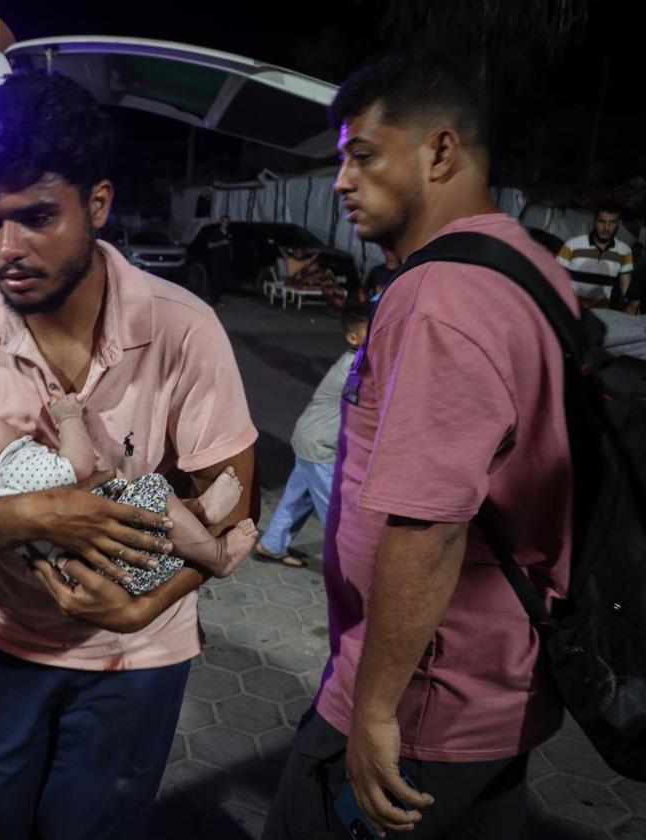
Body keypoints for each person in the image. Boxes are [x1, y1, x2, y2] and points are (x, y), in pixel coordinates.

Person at [0, 71, 259, 840]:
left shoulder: (182, 326)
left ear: (97, 204)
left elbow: (237, 491)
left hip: (141, 652)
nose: (7, 249)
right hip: (10, 636)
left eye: (36, 217)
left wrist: (142, 604)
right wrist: (44, 513)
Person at [264, 51, 575, 839]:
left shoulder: (438, 297)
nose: (341, 182)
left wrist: (372, 714)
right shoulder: (532, 264)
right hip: (502, 678)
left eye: (362, 155)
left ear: (439, 151)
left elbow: (429, 527)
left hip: (422, 699)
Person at [0, 397, 259, 594]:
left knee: (132, 495)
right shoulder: (17, 469)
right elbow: (78, 467)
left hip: (106, 574)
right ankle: (218, 555)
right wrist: (69, 418)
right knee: (151, 489)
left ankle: (195, 511)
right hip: (129, 561)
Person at [254, 303, 368, 569]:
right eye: (371, 332)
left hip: (309, 438)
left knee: (298, 498)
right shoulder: (354, 368)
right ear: (353, 338)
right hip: (319, 446)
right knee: (336, 512)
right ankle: (348, 570)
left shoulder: (357, 362)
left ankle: (272, 545)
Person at [556, 203, 636, 309]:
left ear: (619, 223)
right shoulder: (572, 245)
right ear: (594, 221)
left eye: (612, 222)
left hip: (601, 314)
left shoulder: (624, 251)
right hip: (570, 310)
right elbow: (556, 277)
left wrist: (631, 307)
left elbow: (625, 284)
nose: (606, 228)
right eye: (602, 222)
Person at [208, 213, 233, 304]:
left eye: (227, 222)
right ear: (221, 222)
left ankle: (218, 299)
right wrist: (221, 242)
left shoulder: (229, 233)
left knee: (221, 279)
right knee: (215, 278)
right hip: (216, 260)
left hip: (224, 260)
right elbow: (209, 245)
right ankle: (212, 298)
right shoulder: (216, 232)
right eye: (224, 221)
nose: (226, 223)